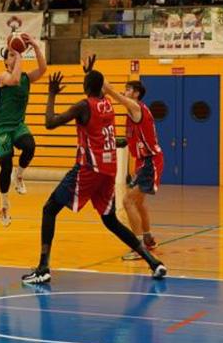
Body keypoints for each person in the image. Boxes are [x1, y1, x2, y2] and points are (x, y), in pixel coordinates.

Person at [21, 61, 167, 284]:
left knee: (49, 209)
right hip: (109, 172)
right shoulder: (108, 104)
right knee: (110, 221)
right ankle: (153, 262)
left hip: (89, 169)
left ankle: (43, 268)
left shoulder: (84, 106)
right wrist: (91, 74)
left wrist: (51, 95)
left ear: (85, 87)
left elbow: (50, 123)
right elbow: (101, 86)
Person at [104, 75, 163, 260]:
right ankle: (147, 239)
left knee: (128, 202)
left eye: (128, 89)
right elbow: (117, 94)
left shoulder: (136, 107)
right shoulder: (134, 109)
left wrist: (102, 82)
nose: (125, 92)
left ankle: (139, 248)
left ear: (136, 94)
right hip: (144, 161)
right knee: (138, 202)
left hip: (149, 160)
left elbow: (116, 96)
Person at [0, 33, 46, 225]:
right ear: (5, 61)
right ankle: (4, 205)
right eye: (11, 55)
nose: (15, 57)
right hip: (1, 129)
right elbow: (13, 80)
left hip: (17, 125)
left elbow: (43, 69)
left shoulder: (26, 77)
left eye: (15, 54)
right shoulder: (3, 76)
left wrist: (36, 47)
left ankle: (19, 175)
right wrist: (20, 53)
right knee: (6, 165)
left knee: (30, 146)